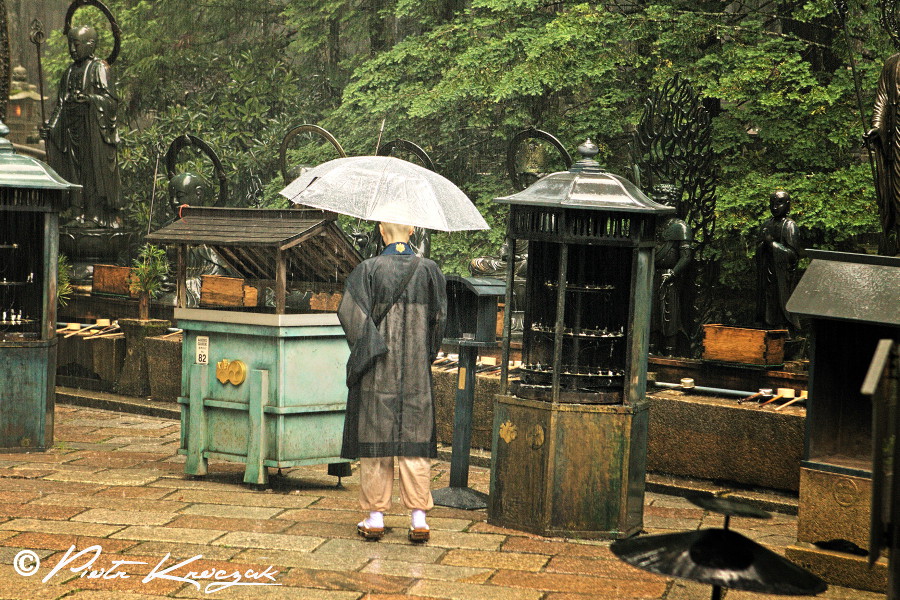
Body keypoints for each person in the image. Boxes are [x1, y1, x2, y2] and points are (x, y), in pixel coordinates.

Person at [337, 222, 447, 543]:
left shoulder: (366, 270)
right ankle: (418, 519)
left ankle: (374, 518)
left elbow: (349, 313)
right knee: (415, 444)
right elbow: (439, 320)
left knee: (376, 444)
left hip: (376, 371)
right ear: (411, 231)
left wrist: (371, 349)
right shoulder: (430, 271)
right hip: (416, 373)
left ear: (382, 233)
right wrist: (423, 355)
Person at [41, 25, 122, 228]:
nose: (72, 49)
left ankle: (95, 216)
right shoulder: (68, 72)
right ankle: (77, 212)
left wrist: (89, 100)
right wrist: (51, 128)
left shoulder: (99, 68)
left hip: (94, 131)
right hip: (71, 130)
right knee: (73, 171)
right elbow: (61, 104)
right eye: (70, 44)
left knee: (91, 172)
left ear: (90, 44)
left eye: (76, 44)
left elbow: (111, 102)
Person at [866, 52, 900, 256]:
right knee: (897, 193)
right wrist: (876, 127)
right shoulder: (892, 63)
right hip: (897, 137)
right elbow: (882, 99)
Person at [755, 190, 801, 334]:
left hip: (782, 277)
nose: (775, 207)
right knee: (766, 303)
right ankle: (765, 328)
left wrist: (772, 244)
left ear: (787, 205)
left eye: (779, 203)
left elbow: (793, 255)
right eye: (772, 204)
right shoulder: (766, 224)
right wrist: (762, 246)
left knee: (781, 305)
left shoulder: (790, 226)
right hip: (767, 273)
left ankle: (784, 331)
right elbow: (758, 249)